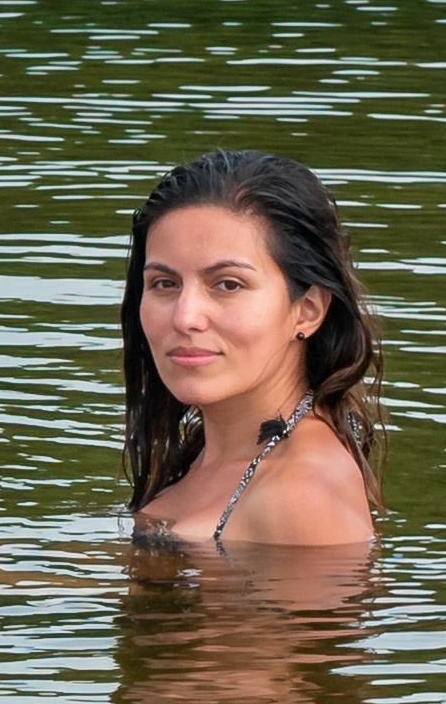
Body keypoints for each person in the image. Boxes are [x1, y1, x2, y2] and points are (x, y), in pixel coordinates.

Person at [122, 150, 381, 555]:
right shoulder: (218, 456)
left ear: (307, 310)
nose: (185, 317)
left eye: (228, 284)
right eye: (164, 283)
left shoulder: (301, 496)